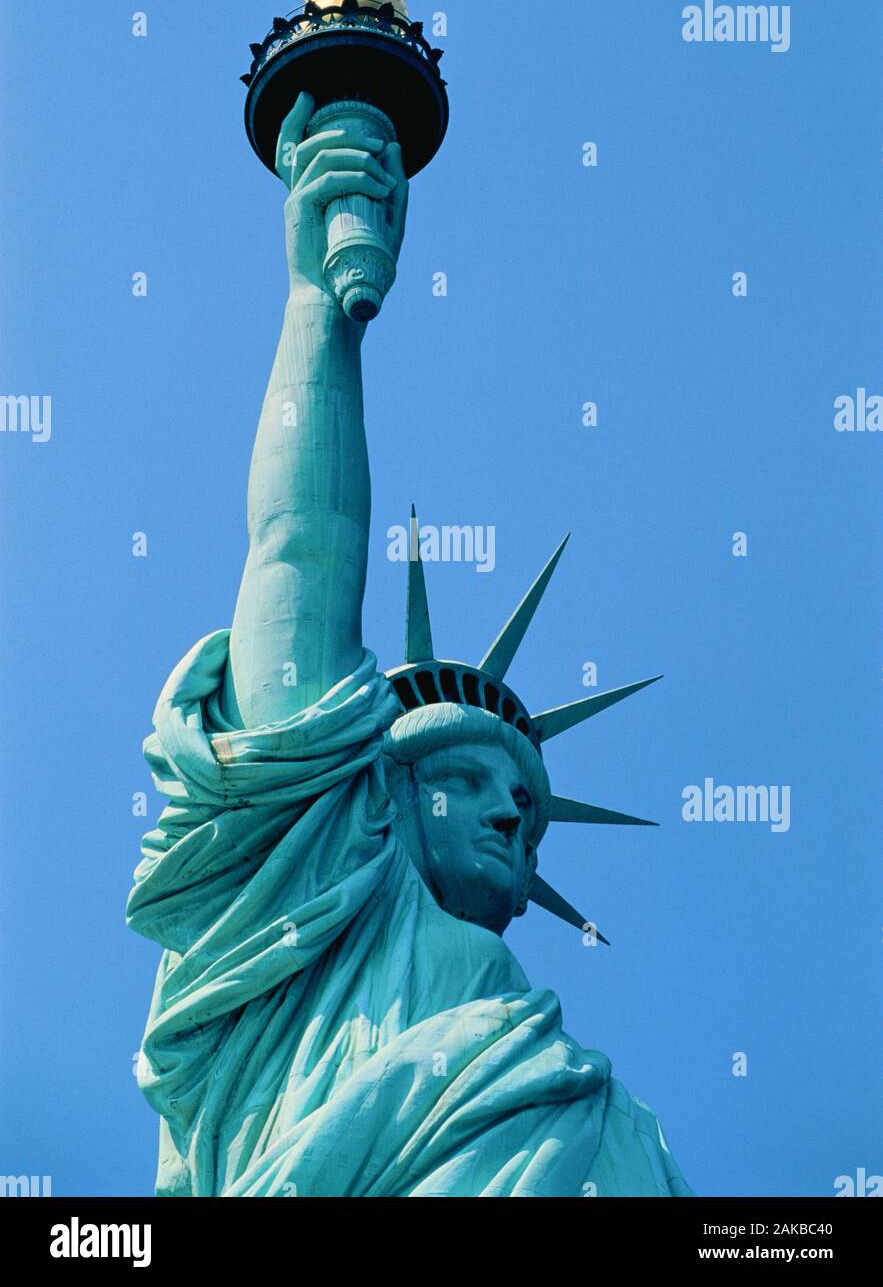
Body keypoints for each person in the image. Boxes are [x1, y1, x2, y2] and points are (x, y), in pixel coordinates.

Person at [127, 91, 692, 1197]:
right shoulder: (317, 911)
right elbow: (299, 547)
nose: (508, 816)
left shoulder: (592, 1103)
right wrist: (313, 304)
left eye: (523, 809)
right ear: (375, 799)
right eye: (473, 779)